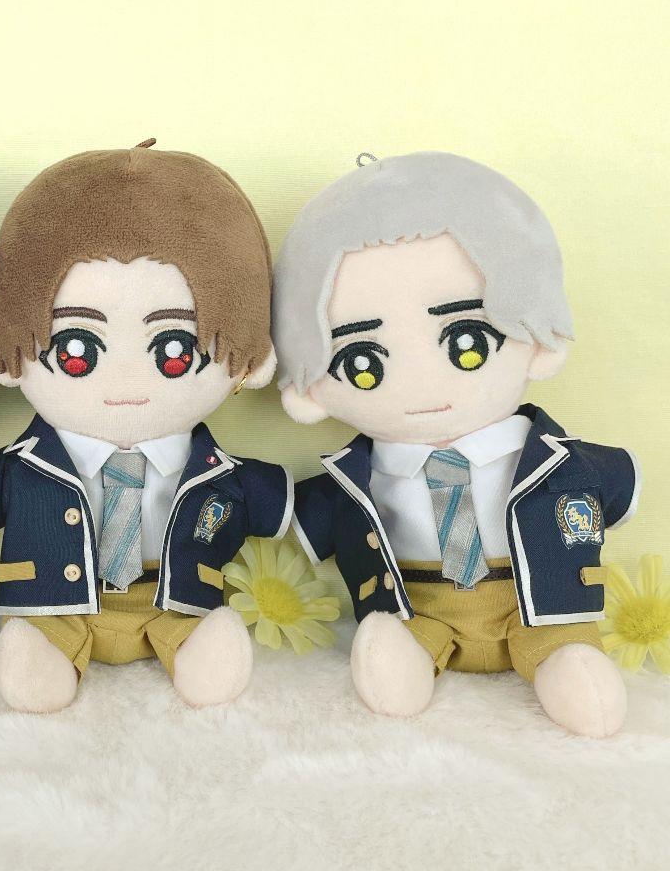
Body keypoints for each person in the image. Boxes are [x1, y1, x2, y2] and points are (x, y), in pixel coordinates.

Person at [273, 152, 640, 737]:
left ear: (537, 335)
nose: (421, 384)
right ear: (311, 386)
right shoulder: (352, 482)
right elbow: (307, 521)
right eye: (362, 363)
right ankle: (402, 661)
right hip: (421, 612)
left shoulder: (567, 464)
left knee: (567, 654)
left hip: (537, 608)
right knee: (394, 648)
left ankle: (566, 664)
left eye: (468, 342)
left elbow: (615, 493)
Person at [0, 141, 291, 712]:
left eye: (176, 350)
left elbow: (280, 507)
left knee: (201, 639)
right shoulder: (21, 469)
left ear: (250, 359)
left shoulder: (223, 477)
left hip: (176, 608)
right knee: (38, 648)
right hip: (56, 609)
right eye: (76, 349)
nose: (128, 381)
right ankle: (42, 651)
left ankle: (198, 649)